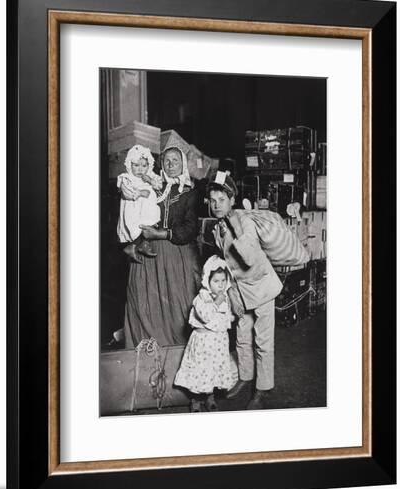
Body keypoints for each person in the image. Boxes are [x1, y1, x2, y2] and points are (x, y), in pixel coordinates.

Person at [207, 171, 283, 409]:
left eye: (222, 200)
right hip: (240, 290)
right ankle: (245, 377)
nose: (216, 205)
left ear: (232, 200)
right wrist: (231, 294)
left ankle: (262, 389)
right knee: (241, 338)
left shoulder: (243, 221)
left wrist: (237, 227)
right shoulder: (217, 226)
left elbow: (248, 257)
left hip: (261, 287)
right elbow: (227, 265)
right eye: (212, 200)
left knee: (263, 341)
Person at [123, 145, 201, 348]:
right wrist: (137, 241)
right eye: (166, 160)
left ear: (183, 164)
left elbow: (191, 229)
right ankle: (146, 352)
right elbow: (132, 211)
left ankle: (178, 353)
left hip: (175, 253)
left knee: (177, 306)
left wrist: (161, 233)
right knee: (144, 301)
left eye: (175, 160)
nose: (170, 164)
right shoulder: (151, 187)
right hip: (148, 252)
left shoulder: (190, 193)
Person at [174, 255, 235, 412]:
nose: (220, 285)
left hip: (218, 342)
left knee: (213, 369)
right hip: (203, 342)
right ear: (207, 281)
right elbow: (205, 315)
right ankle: (195, 399)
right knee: (199, 370)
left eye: (223, 281)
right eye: (216, 281)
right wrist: (217, 302)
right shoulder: (202, 297)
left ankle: (210, 396)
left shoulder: (225, 297)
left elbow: (226, 317)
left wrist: (230, 316)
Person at [117, 144, 163, 262]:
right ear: (129, 165)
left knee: (150, 223)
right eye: (136, 165)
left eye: (144, 165)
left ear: (149, 165)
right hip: (134, 208)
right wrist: (141, 193)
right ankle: (132, 245)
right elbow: (126, 193)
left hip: (147, 209)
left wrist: (150, 180)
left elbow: (159, 186)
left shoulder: (150, 175)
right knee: (136, 226)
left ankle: (143, 244)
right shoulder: (127, 178)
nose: (140, 169)